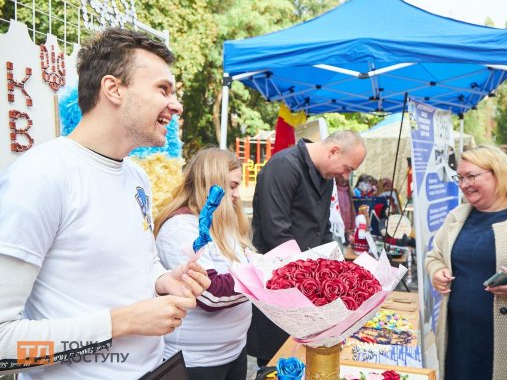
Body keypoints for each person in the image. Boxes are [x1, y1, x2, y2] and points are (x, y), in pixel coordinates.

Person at [0, 28, 210, 379]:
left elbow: (138, 263)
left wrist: (163, 280)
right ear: (113, 89)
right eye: (163, 89)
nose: (176, 105)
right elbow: (4, 343)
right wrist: (124, 322)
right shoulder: (41, 176)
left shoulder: (136, 177)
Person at [248, 130, 366, 366]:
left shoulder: (326, 176)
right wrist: (312, 280)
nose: (345, 176)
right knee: (276, 363)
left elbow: (322, 232)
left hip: (306, 289)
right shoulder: (284, 166)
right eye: (347, 168)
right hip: (278, 288)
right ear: (333, 151)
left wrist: (336, 274)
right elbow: (277, 234)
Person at [425, 145, 507, 380]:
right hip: (459, 339)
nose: (464, 184)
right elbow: (434, 256)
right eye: (460, 177)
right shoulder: (457, 216)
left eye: (471, 176)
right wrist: (436, 271)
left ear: (498, 173)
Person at [154, 148, 252, 380]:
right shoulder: (179, 228)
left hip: (233, 351)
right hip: (195, 362)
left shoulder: (223, 224)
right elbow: (211, 294)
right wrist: (262, 277)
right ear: (213, 184)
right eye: (233, 186)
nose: (237, 194)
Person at [334, 174, 356, 245]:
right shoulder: (333, 192)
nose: (344, 179)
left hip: (348, 231)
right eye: (340, 176)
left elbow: (353, 212)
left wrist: (352, 228)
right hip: (336, 230)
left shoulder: (351, 193)